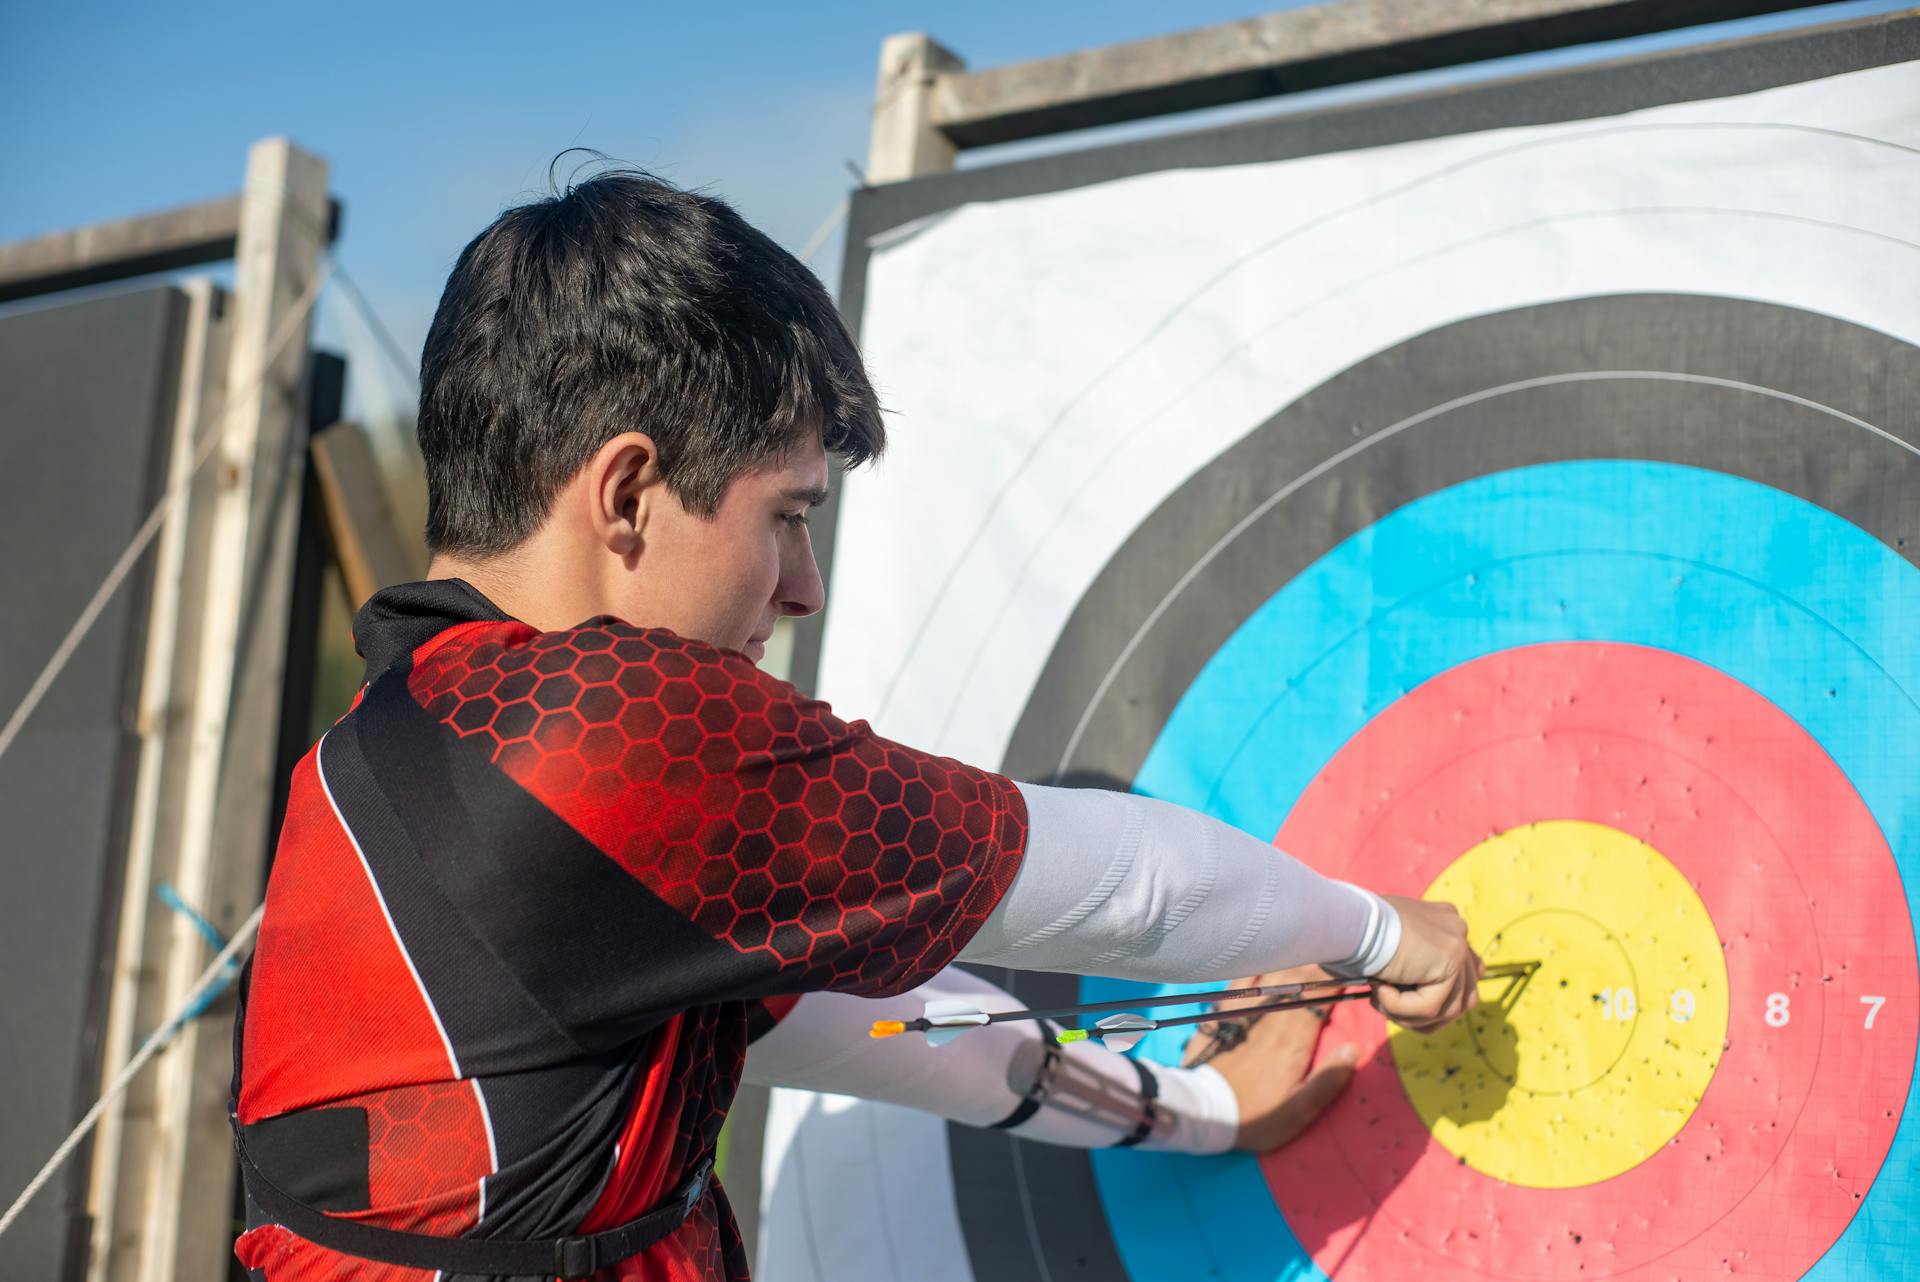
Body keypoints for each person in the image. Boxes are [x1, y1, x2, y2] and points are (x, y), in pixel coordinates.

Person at [230, 170, 1481, 1282]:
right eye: (785, 514)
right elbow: (1115, 886)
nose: (804, 585)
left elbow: (899, 1032)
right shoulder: (605, 732)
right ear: (625, 493)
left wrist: (1197, 1106)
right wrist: (1376, 930)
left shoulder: (379, 762)